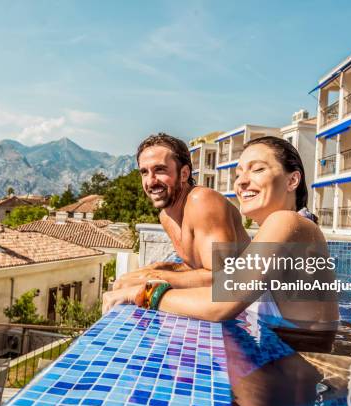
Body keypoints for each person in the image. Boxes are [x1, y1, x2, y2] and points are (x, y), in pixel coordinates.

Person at [103, 136, 339, 330]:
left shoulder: (287, 222)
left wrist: (142, 293)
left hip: (322, 376)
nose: (242, 182)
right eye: (238, 174)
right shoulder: (282, 229)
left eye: (257, 169)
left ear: (292, 180)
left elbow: (219, 304)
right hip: (305, 371)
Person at [113, 133, 250, 289]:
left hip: (262, 304)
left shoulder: (202, 201)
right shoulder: (166, 217)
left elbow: (224, 276)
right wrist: (156, 268)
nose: (150, 181)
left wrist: (153, 277)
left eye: (160, 170)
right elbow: (197, 268)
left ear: (184, 174)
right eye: (144, 172)